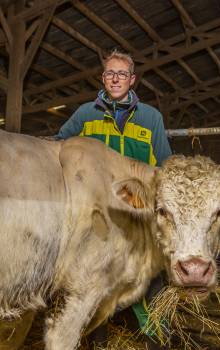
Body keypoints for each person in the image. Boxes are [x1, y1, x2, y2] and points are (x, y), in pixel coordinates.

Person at [55, 50, 172, 349]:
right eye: (110, 73)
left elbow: (165, 165)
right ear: (102, 77)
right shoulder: (85, 114)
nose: (115, 78)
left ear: (132, 80)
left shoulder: (150, 118)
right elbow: (58, 147)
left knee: (149, 280)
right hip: (98, 213)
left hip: (139, 212)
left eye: (122, 74)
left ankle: (155, 339)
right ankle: (96, 340)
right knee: (96, 278)